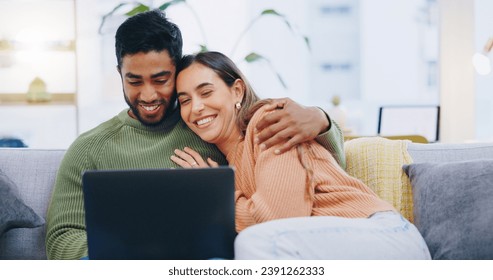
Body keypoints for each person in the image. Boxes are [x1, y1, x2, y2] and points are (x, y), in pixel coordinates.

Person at [45, 10, 345, 260]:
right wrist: (135, 257)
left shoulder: (209, 126)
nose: (148, 94)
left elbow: (309, 167)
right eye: (134, 81)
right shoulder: (89, 148)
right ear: (119, 74)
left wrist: (321, 119)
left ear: (178, 72)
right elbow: (61, 240)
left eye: (161, 80)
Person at [171, 51, 431, 259]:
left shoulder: (270, 122)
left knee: (256, 242)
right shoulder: (230, 162)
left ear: (237, 91)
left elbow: (278, 219)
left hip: (384, 236)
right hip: (327, 244)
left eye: (206, 92)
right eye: (185, 100)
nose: (196, 108)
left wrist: (216, 199)